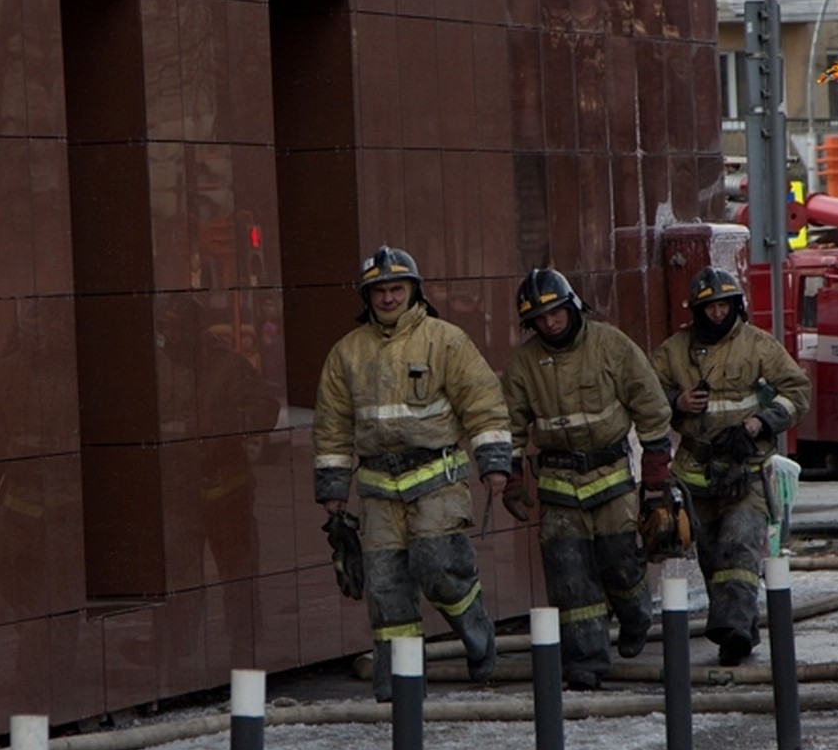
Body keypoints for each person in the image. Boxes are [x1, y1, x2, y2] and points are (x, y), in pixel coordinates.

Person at [312, 245, 512, 701]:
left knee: (439, 567)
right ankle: (398, 683)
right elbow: (332, 427)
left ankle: (476, 632)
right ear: (367, 297)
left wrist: (495, 464)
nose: (387, 298)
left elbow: (483, 404)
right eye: (379, 291)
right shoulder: (347, 354)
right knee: (385, 589)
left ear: (413, 291)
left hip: (436, 480)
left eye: (395, 289)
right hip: (380, 490)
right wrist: (332, 489)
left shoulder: (446, 341)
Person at [501, 268, 673, 690]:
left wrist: (656, 481)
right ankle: (586, 660)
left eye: (555, 313)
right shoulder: (524, 364)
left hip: (611, 477)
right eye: (539, 319)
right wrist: (511, 479)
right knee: (568, 575)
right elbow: (509, 426)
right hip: (558, 484)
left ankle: (635, 617)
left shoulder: (611, 345)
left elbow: (651, 409)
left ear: (572, 305)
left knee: (619, 562)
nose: (549, 323)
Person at [650, 266, 811, 666]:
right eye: (709, 307)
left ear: (735, 305)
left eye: (724, 306)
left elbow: (798, 391)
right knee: (711, 556)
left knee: (739, 544)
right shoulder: (673, 351)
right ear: (697, 311)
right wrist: (676, 402)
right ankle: (734, 626)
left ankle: (735, 631)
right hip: (694, 473)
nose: (717, 314)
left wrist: (760, 423)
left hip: (747, 470)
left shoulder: (758, 345)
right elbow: (646, 394)